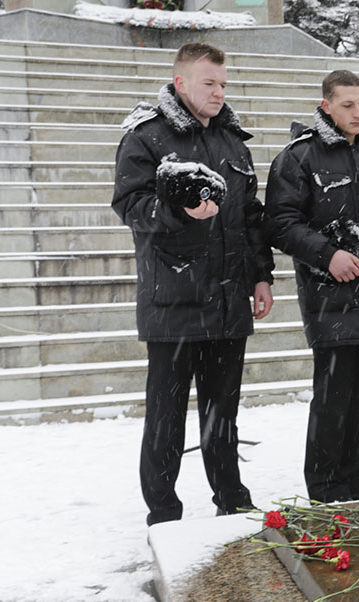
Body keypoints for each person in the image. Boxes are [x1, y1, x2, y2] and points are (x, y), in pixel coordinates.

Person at [111, 43, 274, 525]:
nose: (219, 92)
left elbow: (249, 218)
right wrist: (177, 213)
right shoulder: (147, 136)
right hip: (174, 300)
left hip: (228, 301)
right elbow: (128, 205)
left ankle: (231, 495)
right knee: (166, 416)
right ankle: (163, 509)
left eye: (223, 83)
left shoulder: (232, 142)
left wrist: (261, 277)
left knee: (223, 412)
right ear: (181, 82)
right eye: (209, 83)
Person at [264, 70, 359, 503]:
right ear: (325, 105)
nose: (357, 113)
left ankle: (356, 474)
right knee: (333, 397)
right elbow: (280, 223)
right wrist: (327, 254)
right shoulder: (300, 158)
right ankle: (326, 484)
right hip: (330, 296)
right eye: (348, 105)